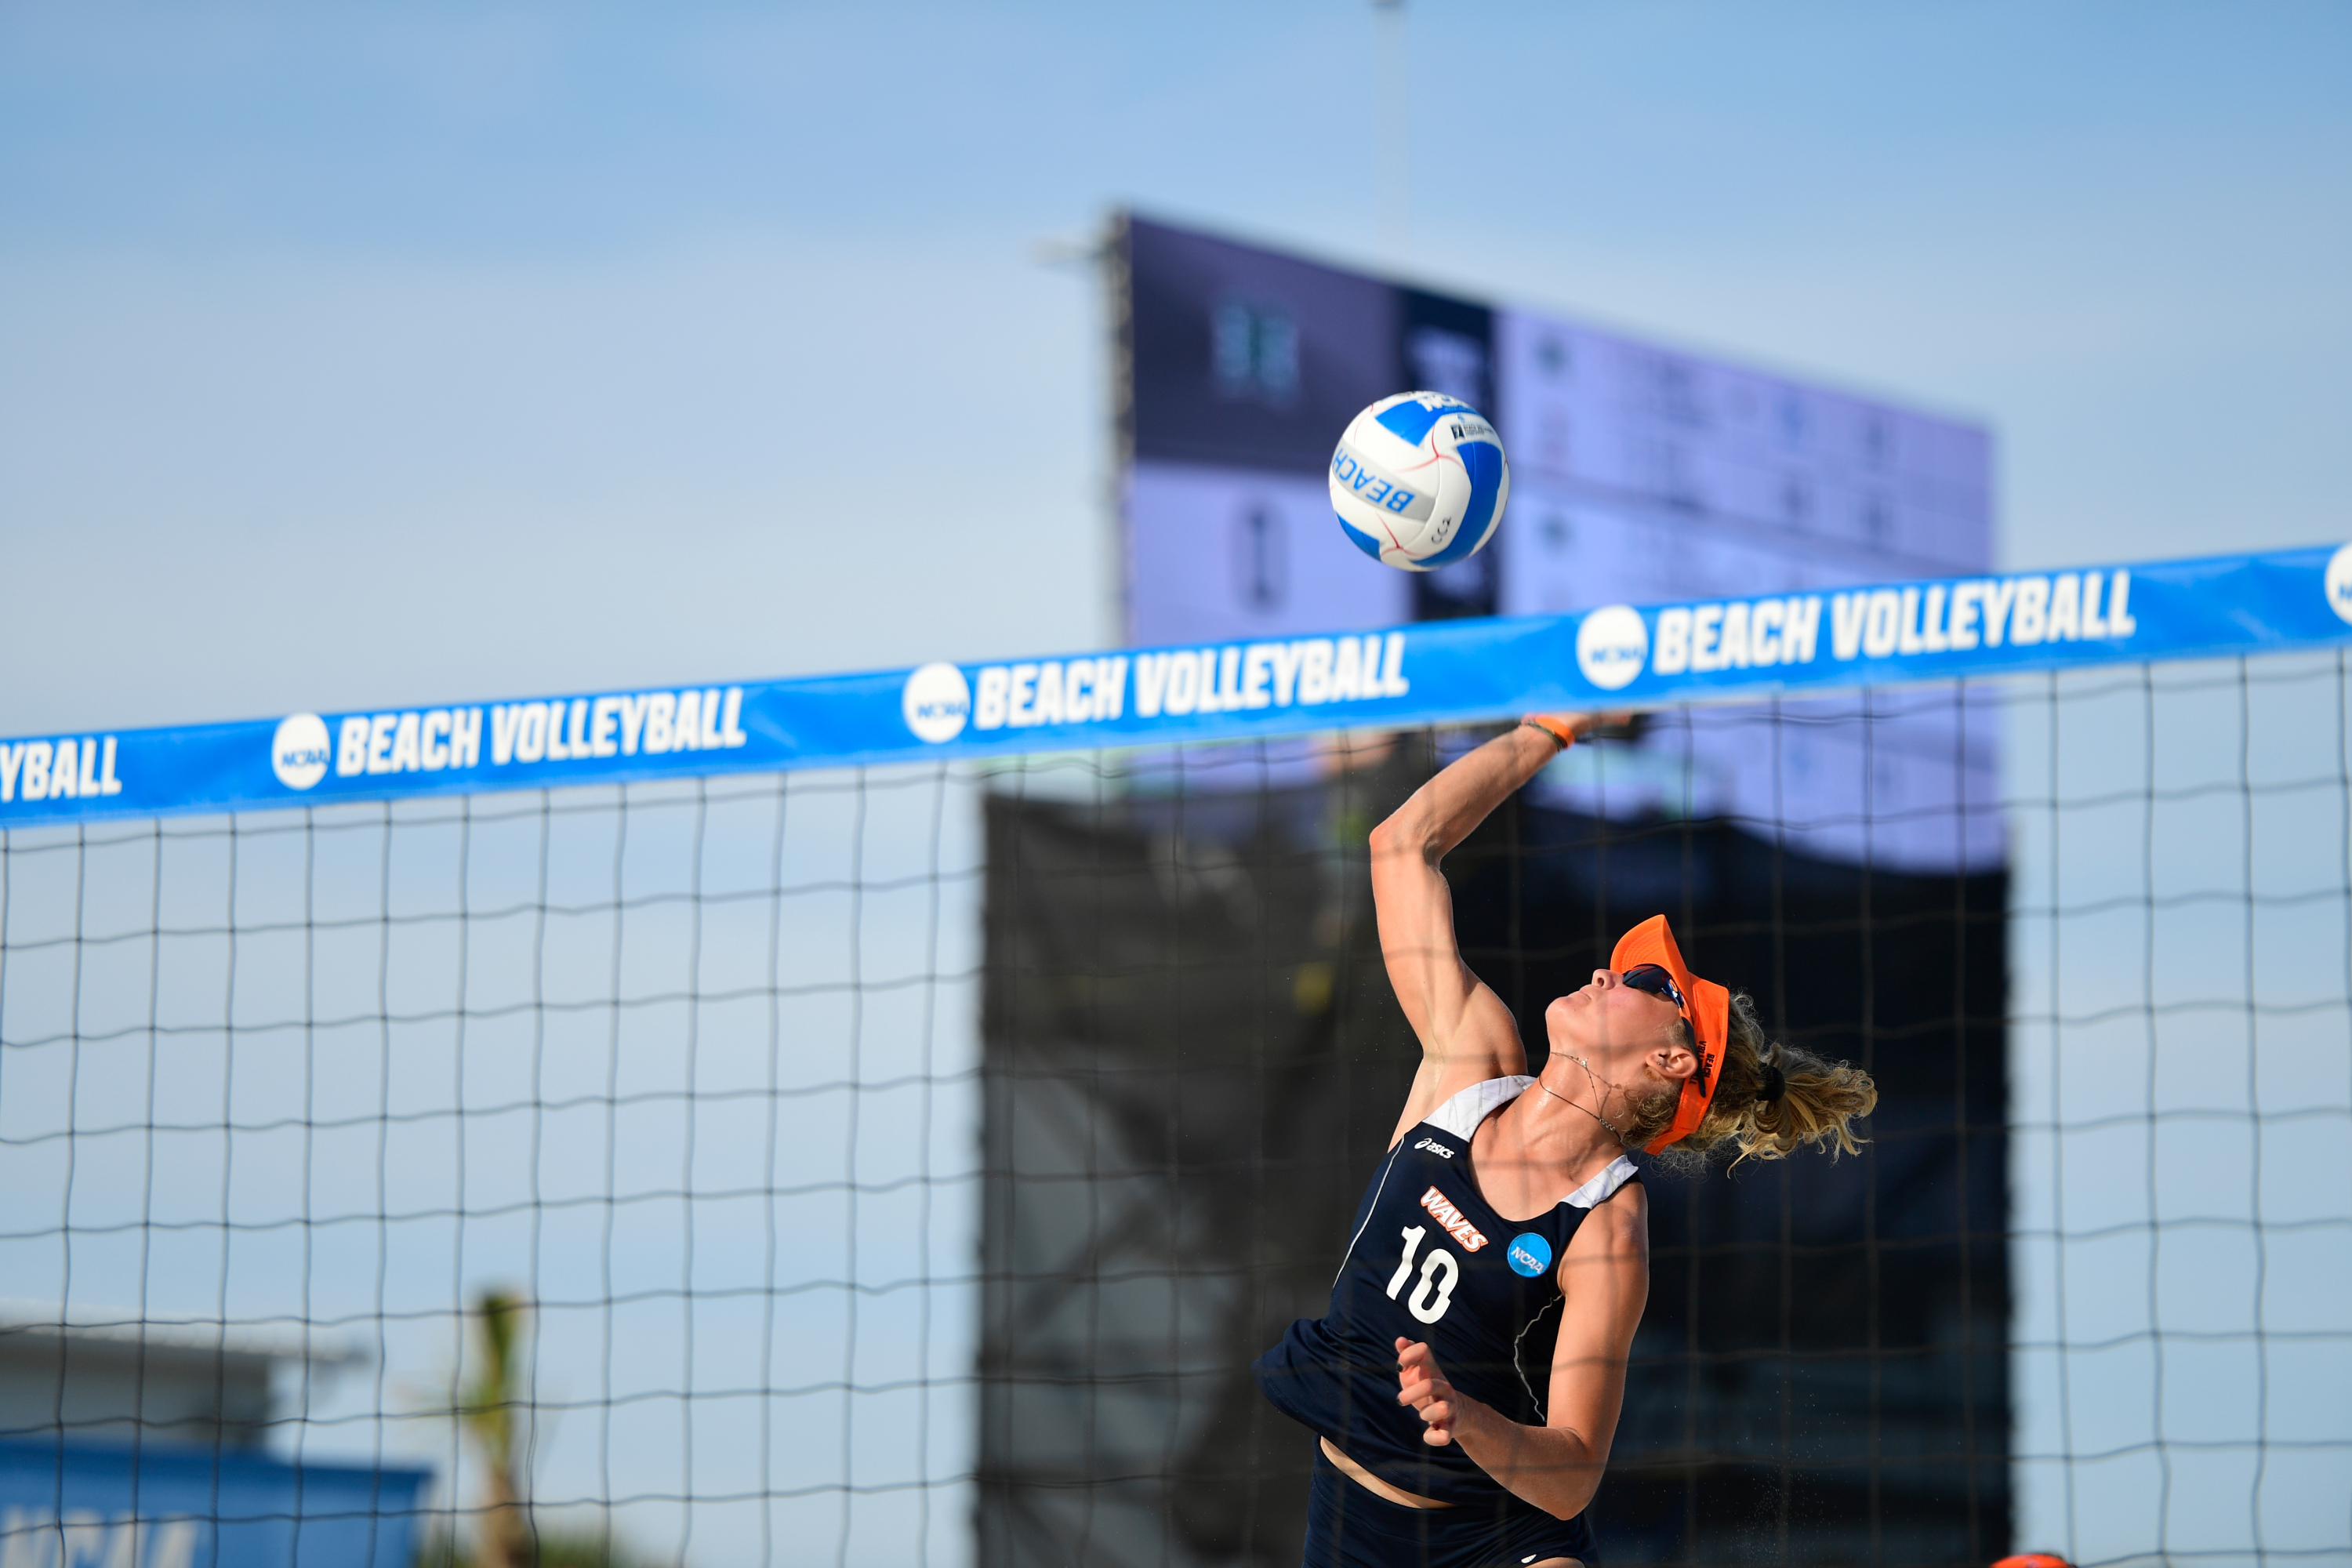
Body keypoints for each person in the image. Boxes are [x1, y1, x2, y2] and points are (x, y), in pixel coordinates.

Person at [1254, 712, 1879, 1568]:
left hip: (1490, 1535)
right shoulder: (1471, 1063)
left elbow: (1572, 1473)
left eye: (1645, 981)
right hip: (1351, 1525)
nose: (1604, 970)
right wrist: (1554, 726)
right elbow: (1401, 845)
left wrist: (1463, 1415)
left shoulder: (1605, 1226)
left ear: (1671, 1059)